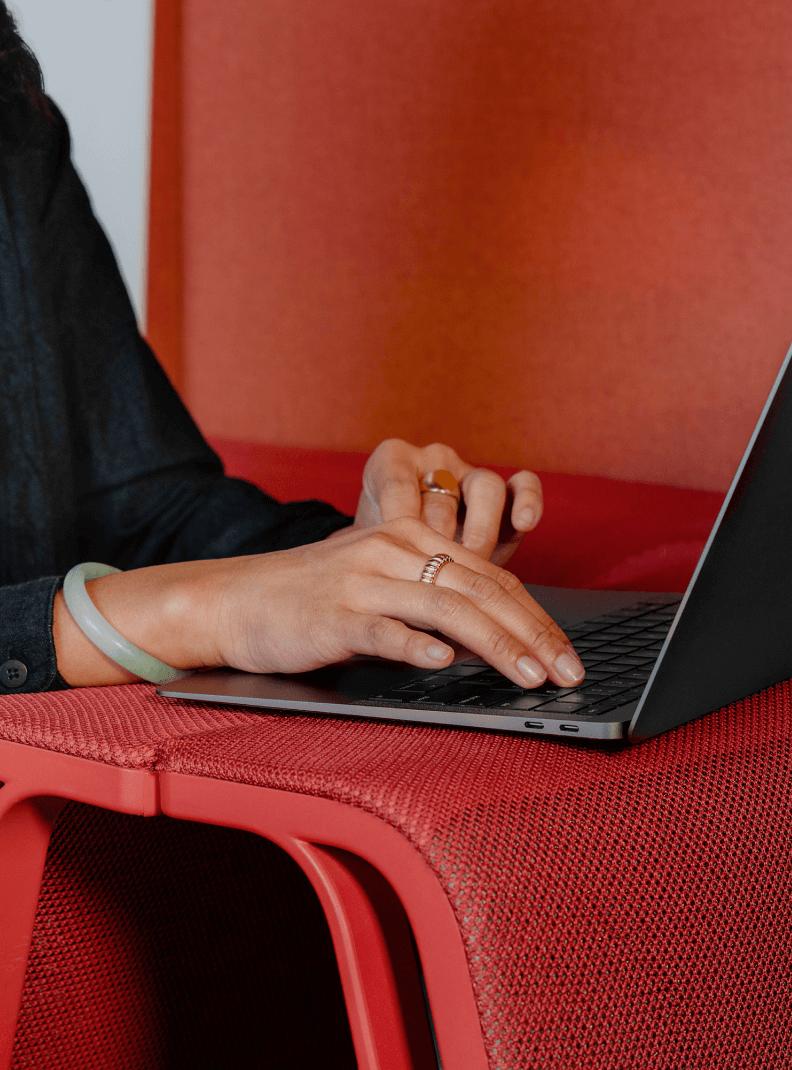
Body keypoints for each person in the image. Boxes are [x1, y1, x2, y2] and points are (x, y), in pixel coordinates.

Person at [0, 6, 584, 698]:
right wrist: (201, 610)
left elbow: (145, 508)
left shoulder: (17, 138)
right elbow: (193, 593)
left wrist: (359, 555)